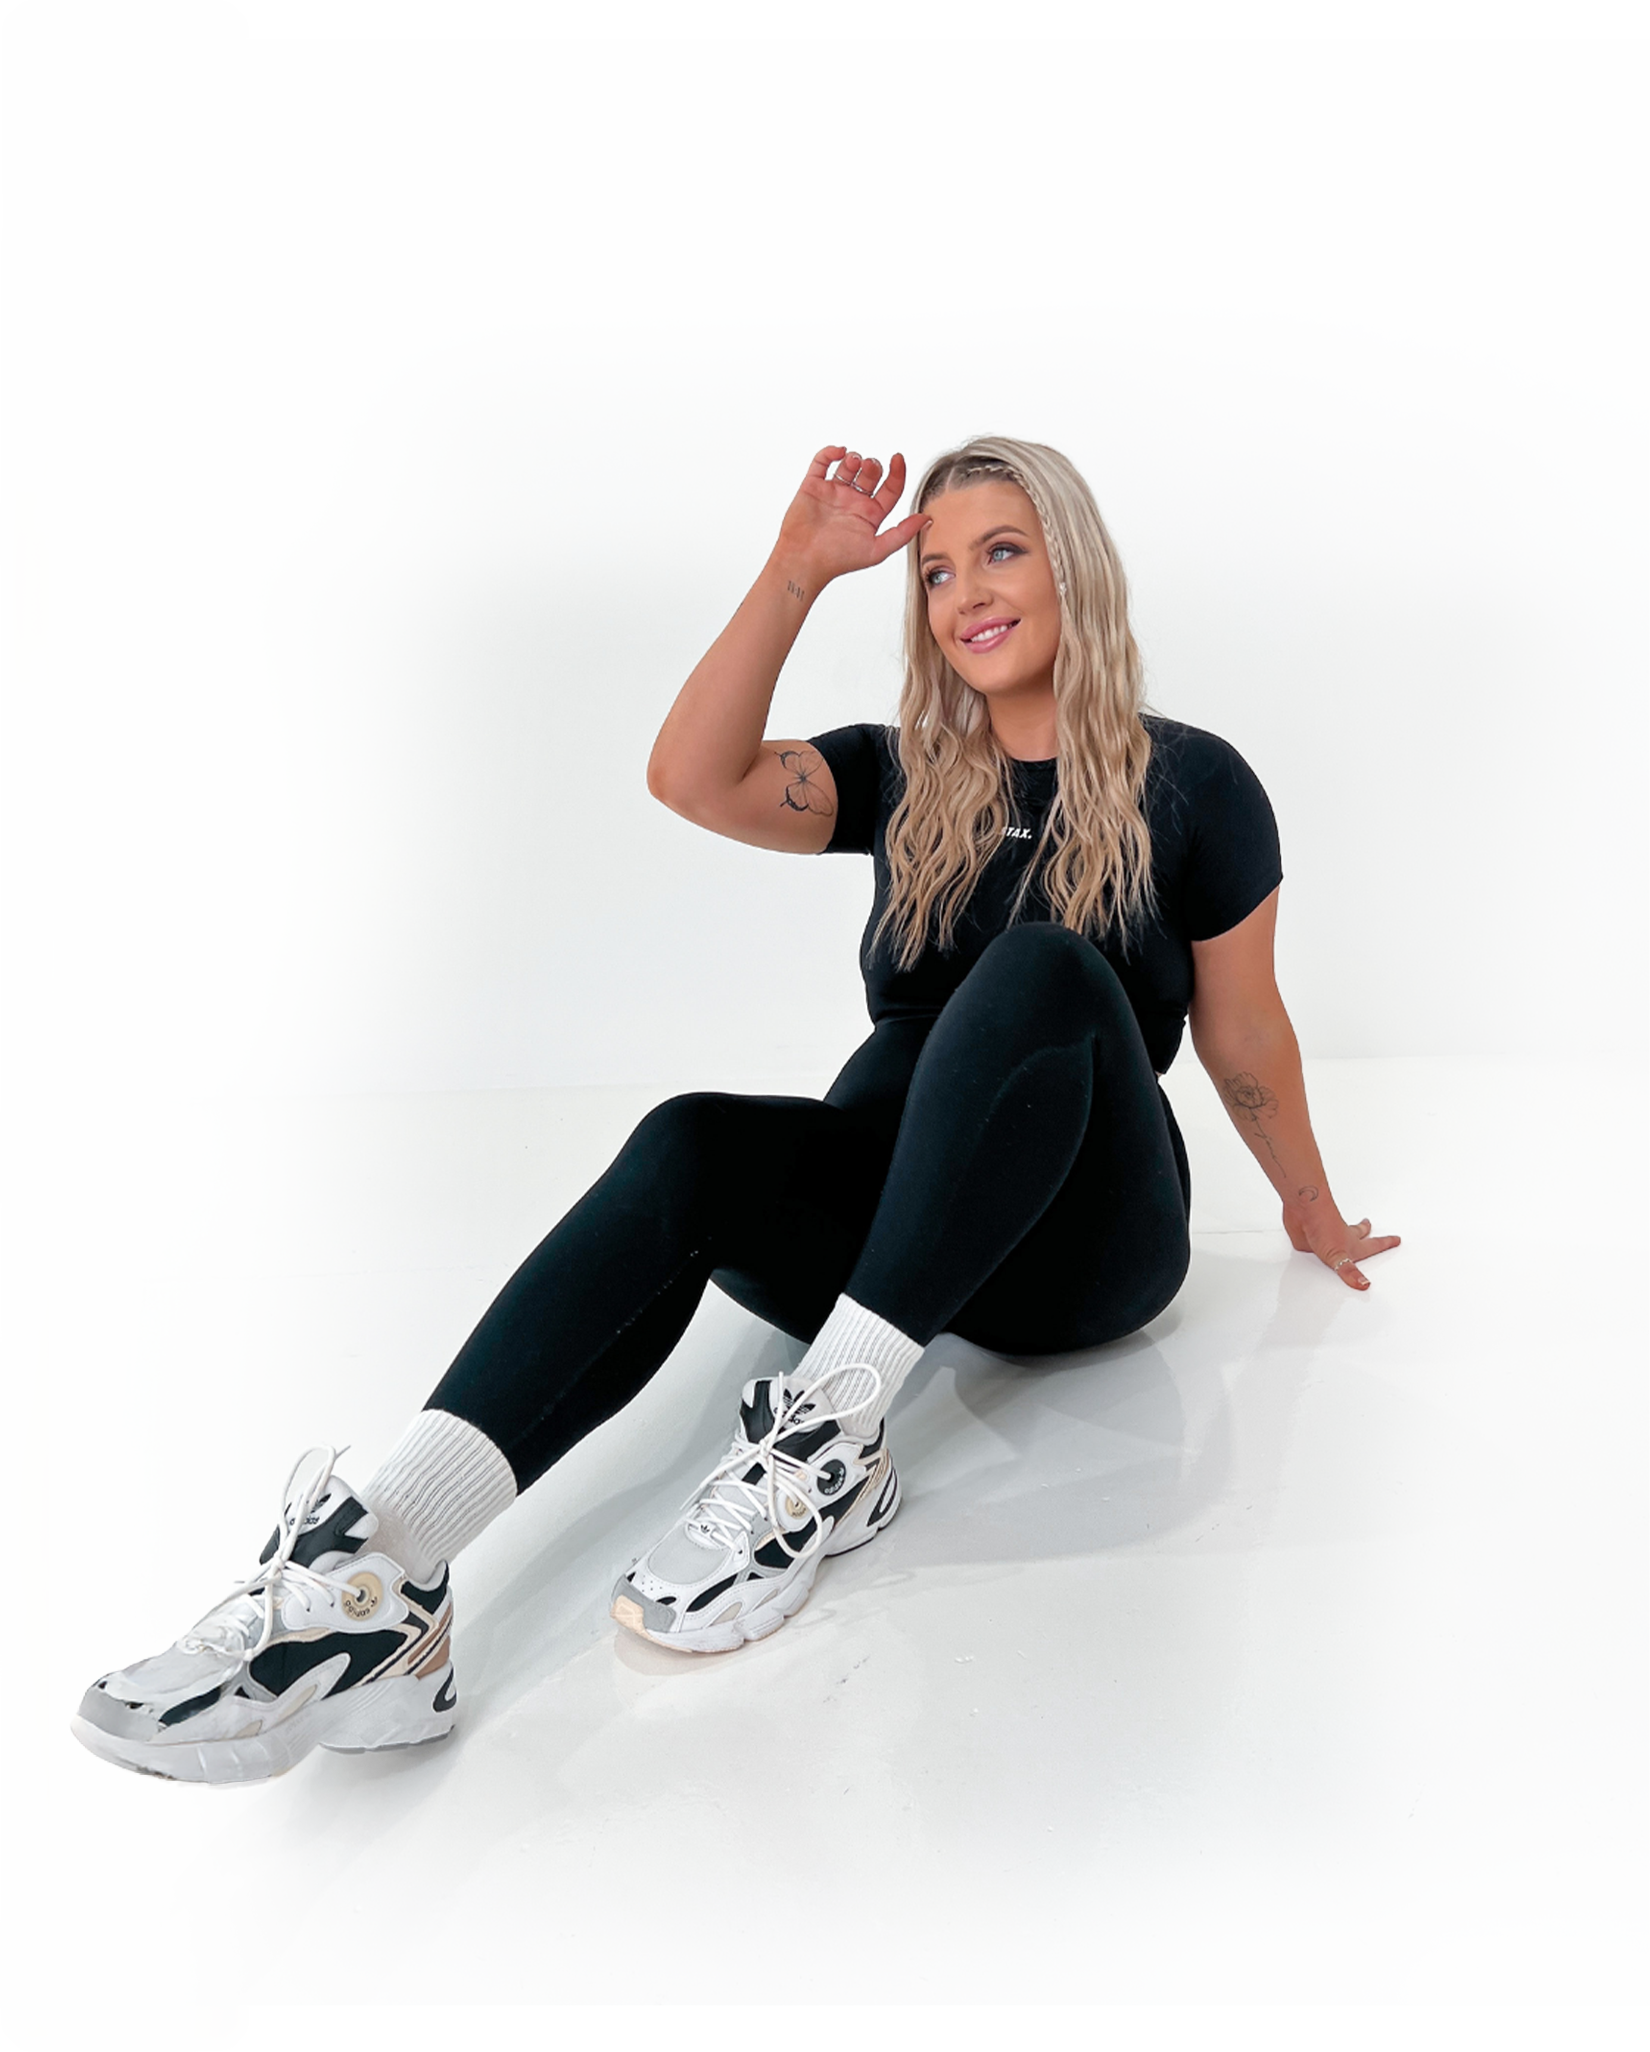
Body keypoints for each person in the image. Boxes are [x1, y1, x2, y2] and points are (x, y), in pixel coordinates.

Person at [70, 435, 1400, 1788]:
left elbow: (1241, 1029)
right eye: (936, 572)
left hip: (1087, 1251)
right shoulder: (903, 774)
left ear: (1074, 566)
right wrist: (796, 569)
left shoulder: (1192, 786)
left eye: (1000, 550)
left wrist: (1305, 1205)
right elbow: (689, 778)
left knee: (1040, 968)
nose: (964, 592)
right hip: (904, 1246)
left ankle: (828, 1437)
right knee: (691, 1137)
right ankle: (380, 1574)